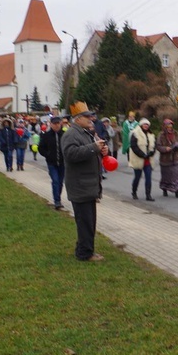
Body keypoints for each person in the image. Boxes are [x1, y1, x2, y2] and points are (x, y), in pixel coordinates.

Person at [62, 101, 109, 262]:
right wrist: (94, 148)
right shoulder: (70, 134)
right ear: (77, 119)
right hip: (80, 186)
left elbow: (90, 151)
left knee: (88, 222)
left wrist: (102, 150)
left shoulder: (84, 132)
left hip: (88, 186)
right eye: (87, 116)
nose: (91, 119)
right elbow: (71, 154)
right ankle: (85, 253)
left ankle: (84, 249)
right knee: (85, 223)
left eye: (90, 116)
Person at [38, 115, 66, 210]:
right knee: (55, 181)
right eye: (55, 124)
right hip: (52, 163)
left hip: (62, 162)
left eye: (58, 123)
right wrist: (48, 154)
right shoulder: (46, 135)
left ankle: (58, 197)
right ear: (51, 124)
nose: (57, 125)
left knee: (60, 182)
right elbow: (40, 148)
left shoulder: (64, 135)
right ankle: (57, 201)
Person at [156, 118, 178, 198]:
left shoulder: (176, 133)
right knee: (166, 175)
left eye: (171, 126)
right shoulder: (161, 135)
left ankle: (177, 191)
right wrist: (165, 149)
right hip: (165, 159)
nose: (170, 127)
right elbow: (158, 146)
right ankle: (165, 189)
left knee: (176, 174)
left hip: (175, 158)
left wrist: (177, 146)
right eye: (168, 126)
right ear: (165, 126)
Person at [129, 117, 156, 201]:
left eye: (147, 124)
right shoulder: (135, 133)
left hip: (148, 160)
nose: (146, 126)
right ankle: (134, 192)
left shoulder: (151, 135)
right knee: (137, 177)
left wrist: (152, 152)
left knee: (148, 177)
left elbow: (154, 145)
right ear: (141, 125)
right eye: (144, 124)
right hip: (138, 159)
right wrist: (142, 155)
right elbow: (134, 146)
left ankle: (148, 195)